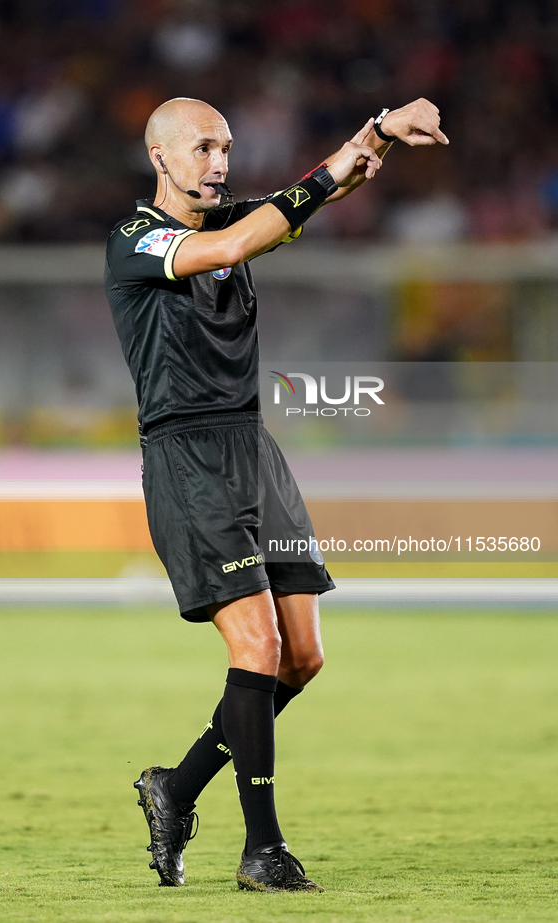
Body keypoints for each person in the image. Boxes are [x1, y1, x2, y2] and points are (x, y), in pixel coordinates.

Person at [104, 96, 448, 893]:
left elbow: (319, 192)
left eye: (224, 147)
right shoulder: (135, 240)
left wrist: (378, 135)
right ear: (160, 155)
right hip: (187, 455)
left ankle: (176, 787)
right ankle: (262, 849)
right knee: (254, 648)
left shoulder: (234, 221)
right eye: (201, 147)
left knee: (302, 656)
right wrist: (317, 182)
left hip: (253, 450)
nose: (217, 162)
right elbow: (239, 237)